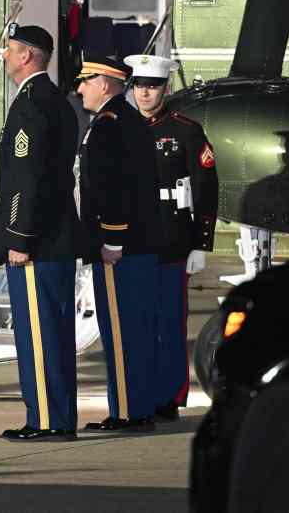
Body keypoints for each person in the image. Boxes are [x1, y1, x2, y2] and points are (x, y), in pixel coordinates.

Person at [0, 25, 82, 442]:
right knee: (57, 331)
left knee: (38, 333)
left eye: (9, 51)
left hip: (37, 241)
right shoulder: (58, 102)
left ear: (27, 56)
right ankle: (59, 416)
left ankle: (45, 419)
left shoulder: (29, 105)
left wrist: (18, 238)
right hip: (58, 235)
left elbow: (25, 180)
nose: (5, 57)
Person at [124, 54, 219, 422]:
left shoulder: (185, 130)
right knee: (138, 321)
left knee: (169, 323)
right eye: (139, 86)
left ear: (165, 88)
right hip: (132, 240)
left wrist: (201, 243)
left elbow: (206, 187)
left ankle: (169, 395)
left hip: (171, 238)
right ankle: (140, 391)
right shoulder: (122, 128)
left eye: (153, 86)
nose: (145, 93)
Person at [74, 57, 162, 431]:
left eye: (86, 82)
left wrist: (112, 238)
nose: (80, 90)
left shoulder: (109, 127)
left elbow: (112, 190)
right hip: (139, 243)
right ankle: (138, 408)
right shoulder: (127, 122)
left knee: (122, 333)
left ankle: (127, 412)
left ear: (106, 84)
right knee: (137, 329)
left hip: (121, 247)